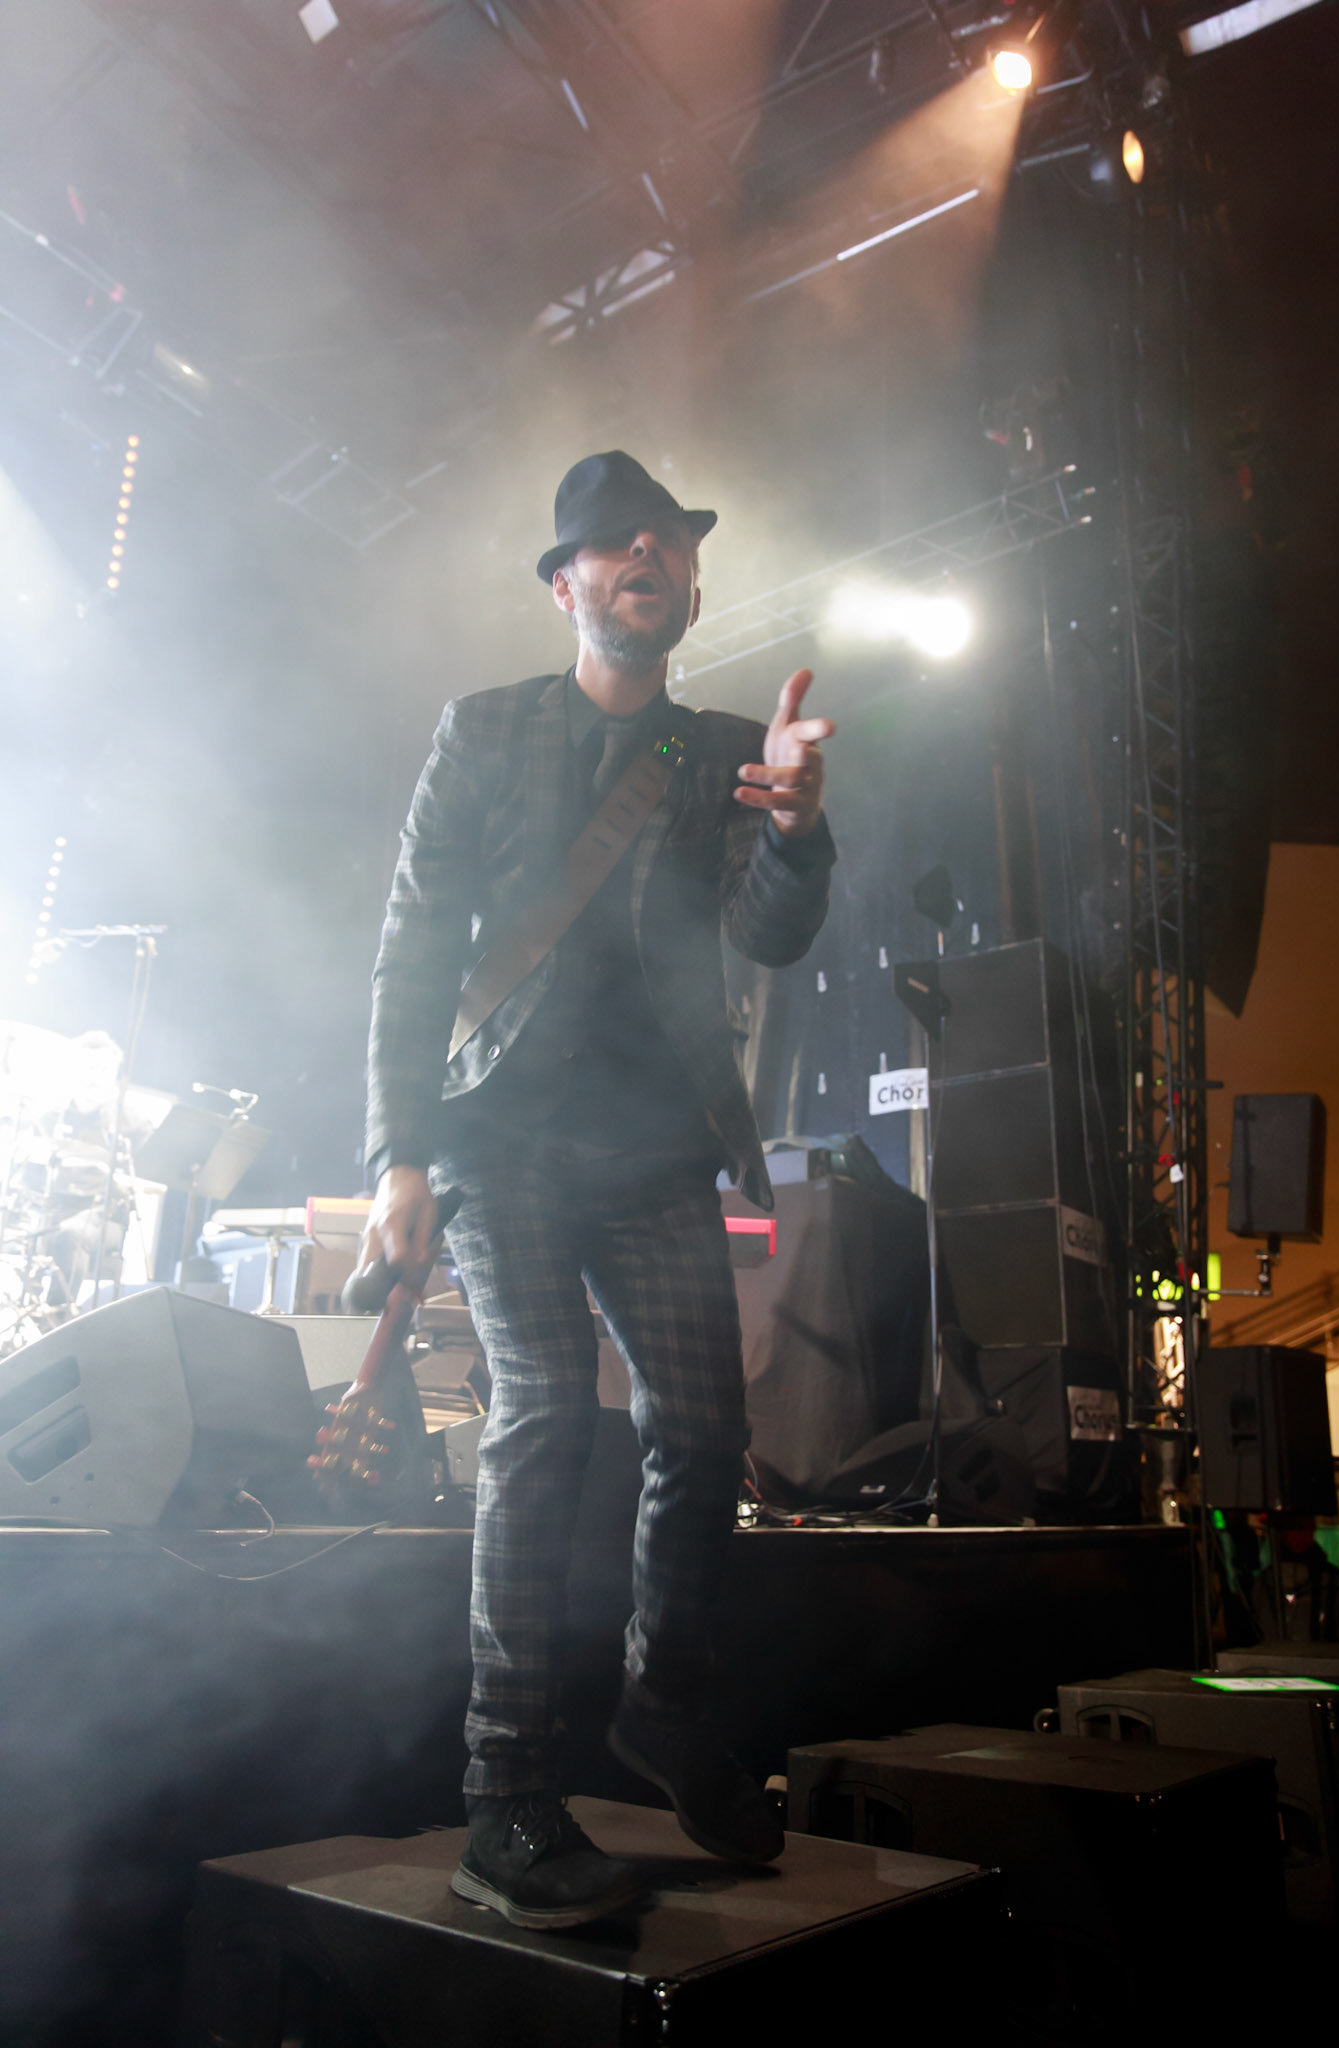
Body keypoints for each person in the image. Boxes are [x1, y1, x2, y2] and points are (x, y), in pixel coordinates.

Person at [361, 451, 836, 1929]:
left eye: (675, 543)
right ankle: (503, 1796)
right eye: (619, 545)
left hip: (650, 1150)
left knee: (703, 1427)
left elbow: (766, 940)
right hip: (501, 1138)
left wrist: (796, 826)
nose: (652, 555)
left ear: (688, 588)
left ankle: (670, 1706)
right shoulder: (484, 730)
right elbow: (414, 949)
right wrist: (399, 1153)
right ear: (570, 585)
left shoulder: (710, 753)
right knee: (546, 1417)